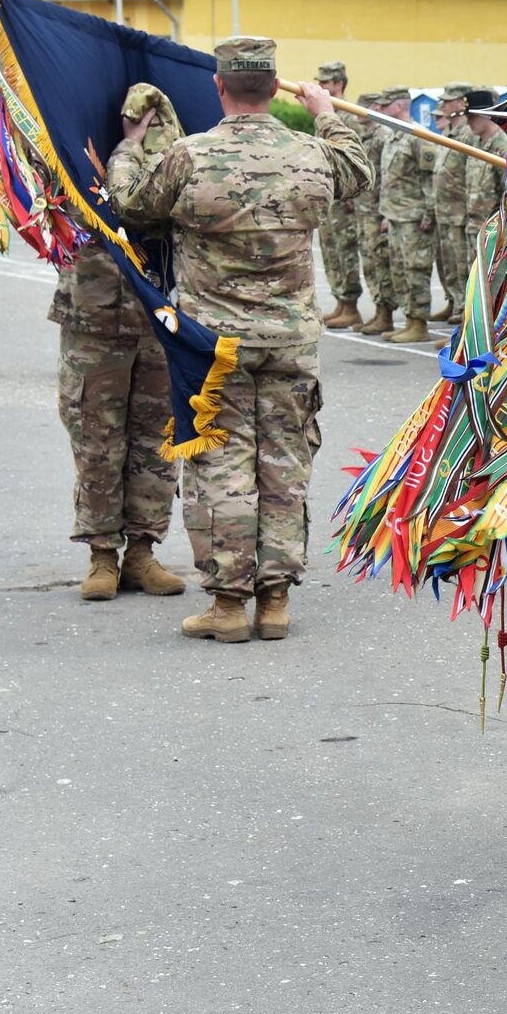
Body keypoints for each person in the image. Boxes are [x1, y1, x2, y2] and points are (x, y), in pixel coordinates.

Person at [112, 36, 371, 642]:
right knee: (284, 466)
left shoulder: (189, 155)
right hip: (290, 340)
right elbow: (355, 171)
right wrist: (326, 113)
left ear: (219, 88)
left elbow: (133, 207)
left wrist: (127, 149)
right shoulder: (309, 153)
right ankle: (275, 601)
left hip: (214, 344)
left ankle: (228, 605)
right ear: (273, 86)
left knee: (220, 468)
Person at [53, 83, 186, 603]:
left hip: (159, 318)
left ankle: (143, 554)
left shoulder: (178, 161)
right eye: (138, 121)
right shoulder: (74, 155)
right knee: (96, 439)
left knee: (156, 441)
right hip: (93, 313)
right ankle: (102, 555)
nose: (145, 126)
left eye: (154, 120)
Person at [376, 88, 443, 346]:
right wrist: (386, 213)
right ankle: (408, 319)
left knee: (416, 269)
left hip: (415, 217)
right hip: (395, 215)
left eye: (386, 105)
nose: (381, 110)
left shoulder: (418, 137)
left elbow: (429, 180)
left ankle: (419, 323)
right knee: (400, 270)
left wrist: (428, 213)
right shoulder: (394, 137)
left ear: (400, 106)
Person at [314, 62, 365, 329]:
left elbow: (359, 162)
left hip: (345, 200)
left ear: (339, 84)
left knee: (345, 252)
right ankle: (341, 302)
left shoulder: (347, 115)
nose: (322, 86)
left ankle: (351, 305)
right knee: (331, 252)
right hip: (329, 198)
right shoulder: (325, 113)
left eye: (327, 83)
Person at [350, 89, 399, 337]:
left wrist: (383, 212)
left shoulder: (382, 137)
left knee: (380, 262)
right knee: (369, 262)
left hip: (377, 211)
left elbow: (385, 177)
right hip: (365, 209)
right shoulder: (368, 136)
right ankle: (378, 310)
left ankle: (385, 312)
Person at [430, 81, 478, 327]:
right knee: (449, 265)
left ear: (461, 103)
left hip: (461, 211)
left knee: (463, 267)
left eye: (448, 101)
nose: (443, 105)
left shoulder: (468, 134)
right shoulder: (450, 132)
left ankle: (462, 313)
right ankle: (454, 303)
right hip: (446, 211)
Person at [460, 89, 507, 257]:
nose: (468, 122)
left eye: (472, 117)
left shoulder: (504, 148)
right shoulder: (475, 144)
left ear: (486, 115)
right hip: (473, 227)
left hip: (493, 231)